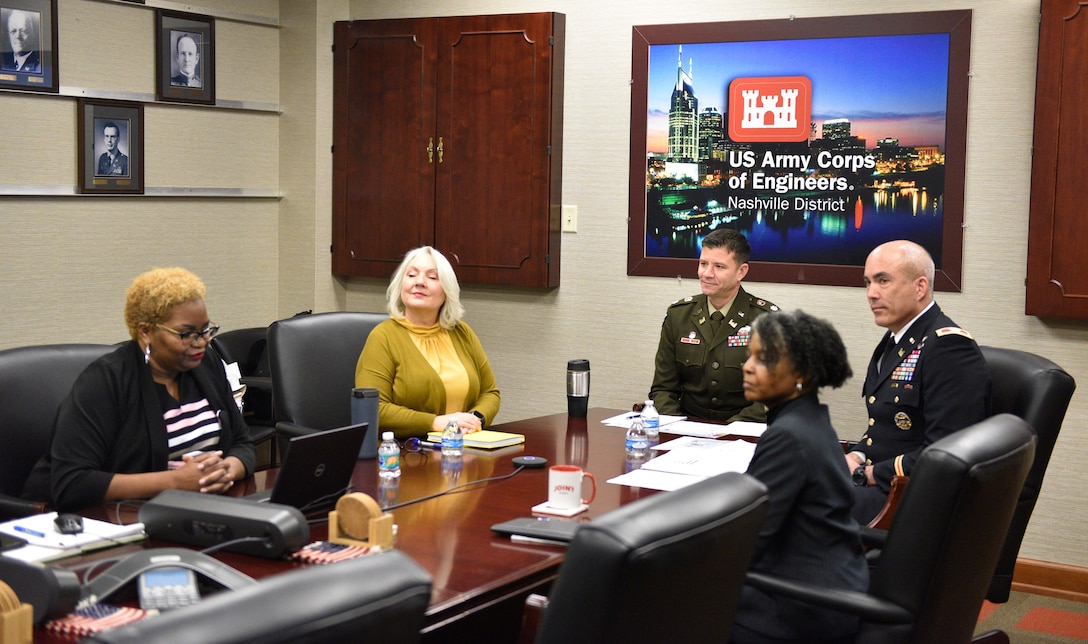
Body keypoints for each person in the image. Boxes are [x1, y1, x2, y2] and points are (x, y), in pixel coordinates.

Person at [23, 267, 255, 512]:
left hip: (202, 511)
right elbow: (71, 483)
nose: (201, 342)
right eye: (186, 334)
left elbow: (243, 443)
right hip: (120, 522)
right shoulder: (105, 382)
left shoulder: (205, 363)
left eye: (206, 330)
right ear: (146, 331)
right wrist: (174, 482)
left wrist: (225, 470)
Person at [730, 310, 867, 643]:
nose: (747, 366)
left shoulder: (788, 436)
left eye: (763, 359)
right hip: (830, 588)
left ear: (801, 374)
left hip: (800, 609)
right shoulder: (812, 420)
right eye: (750, 355)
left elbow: (749, 538)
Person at [847, 239, 990, 524]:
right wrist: (858, 455)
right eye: (868, 282)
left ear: (920, 287)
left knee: (793, 510)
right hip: (882, 485)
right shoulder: (897, 339)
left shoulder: (947, 347)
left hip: (910, 499)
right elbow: (886, 427)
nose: (871, 294)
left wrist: (870, 473)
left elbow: (945, 452)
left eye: (883, 281)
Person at [355, 246, 500, 440]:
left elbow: (489, 392)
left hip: (463, 446)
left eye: (432, 277)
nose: (420, 282)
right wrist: (436, 422)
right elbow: (374, 409)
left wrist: (475, 419)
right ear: (401, 285)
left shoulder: (462, 332)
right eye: (412, 275)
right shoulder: (383, 337)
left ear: (447, 291)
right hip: (407, 453)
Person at [649, 228, 778, 422]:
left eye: (719, 266)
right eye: (703, 264)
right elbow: (663, 389)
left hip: (744, 434)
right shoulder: (679, 315)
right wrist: (678, 428)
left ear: (741, 271)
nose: (707, 274)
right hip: (686, 430)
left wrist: (727, 432)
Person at [2, 9, 40, 73]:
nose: (18, 36)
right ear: (9, 36)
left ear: (32, 35)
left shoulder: (39, 66)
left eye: (23, 31)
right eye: (13, 31)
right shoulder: (4, 63)